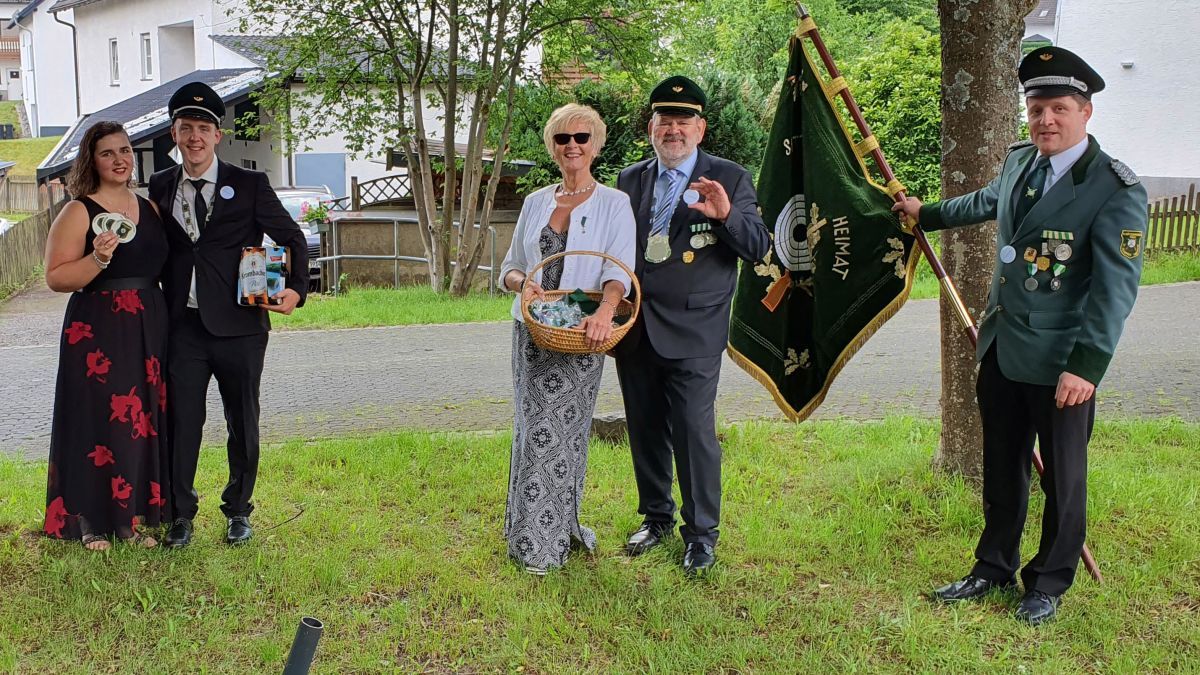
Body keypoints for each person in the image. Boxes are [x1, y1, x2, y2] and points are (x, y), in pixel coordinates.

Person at [892, 46, 1148, 625]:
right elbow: (987, 202)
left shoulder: (1114, 188)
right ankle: (992, 566)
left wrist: (1086, 367)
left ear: (1086, 113)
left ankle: (1049, 581)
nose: (1045, 121)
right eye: (1036, 109)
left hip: (1062, 364)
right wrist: (925, 212)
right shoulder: (1020, 161)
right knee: (1002, 466)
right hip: (1003, 350)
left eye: (1058, 108)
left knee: (1063, 478)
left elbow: (1115, 292)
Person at [614, 76, 771, 574]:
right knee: (644, 427)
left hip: (695, 329)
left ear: (700, 128)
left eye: (684, 122)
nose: (674, 130)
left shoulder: (730, 177)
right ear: (651, 129)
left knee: (692, 431)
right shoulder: (629, 180)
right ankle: (656, 516)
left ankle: (701, 535)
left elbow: (759, 247)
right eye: (665, 122)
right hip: (636, 326)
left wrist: (726, 216)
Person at [149, 82, 309, 548]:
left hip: (240, 328)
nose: (194, 137)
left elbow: (293, 238)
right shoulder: (160, 186)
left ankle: (239, 510)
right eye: (185, 128)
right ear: (173, 135)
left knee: (242, 419)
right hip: (183, 328)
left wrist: (297, 289)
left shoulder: (250, 184)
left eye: (203, 128)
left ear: (217, 135)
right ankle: (181, 515)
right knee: (182, 423)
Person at [498, 103, 636, 574]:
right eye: (562, 139)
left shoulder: (614, 203)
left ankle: (555, 536)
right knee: (530, 430)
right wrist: (524, 285)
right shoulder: (536, 201)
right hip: (532, 329)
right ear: (552, 148)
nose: (572, 146)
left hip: (581, 330)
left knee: (564, 435)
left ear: (595, 145)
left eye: (581, 137)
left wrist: (604, 312)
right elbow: (510, 267)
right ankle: (525, 535)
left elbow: (619, 269)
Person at [42, 121, 171, 550]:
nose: (119, 159)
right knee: (100, 421)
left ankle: (130, 518)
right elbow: (57, 277)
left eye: (125, 150)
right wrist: (97, 258)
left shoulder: (148, 207)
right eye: (107, 153)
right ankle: (90, 522)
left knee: (140, 421)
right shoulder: (80, 210)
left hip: (148, 327)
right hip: (97, 330)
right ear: (91, 161)